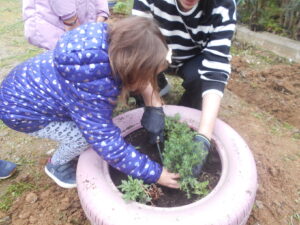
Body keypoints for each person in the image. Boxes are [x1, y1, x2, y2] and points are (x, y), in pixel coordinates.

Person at [0, 16, 180, 189]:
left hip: (25, 86)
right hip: (22, 112)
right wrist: (154, 173)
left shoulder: (107, 43)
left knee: (89, 121)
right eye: (147, 76)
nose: (150, 80)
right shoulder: (93, 90)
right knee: (83, 137)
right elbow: (106, 142)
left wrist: (153, 107)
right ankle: (57, 166)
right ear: (130, 70)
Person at [132, 0, 237, 172]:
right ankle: (156, 84)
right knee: (135, 76)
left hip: (192, 58)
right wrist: (153, 105)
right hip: (155, 52)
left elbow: (216, 67)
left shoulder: (223, 5)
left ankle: (185, 113)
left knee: (200, 79)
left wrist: (204, 136)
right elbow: (137, 48)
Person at [22, 0, 110, 50]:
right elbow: (68, 16)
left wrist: (101, 14)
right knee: (64, 64)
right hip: (57, 25)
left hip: (82, 23)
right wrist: (71, 22)